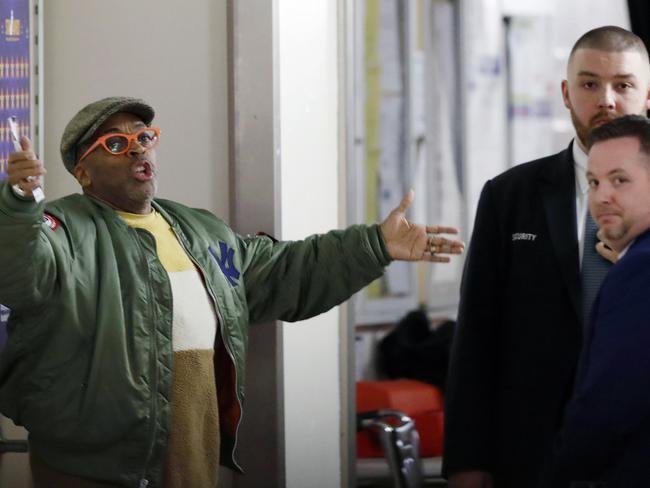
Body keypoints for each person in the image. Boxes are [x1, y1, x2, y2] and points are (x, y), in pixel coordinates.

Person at [0, 96, 463, 488]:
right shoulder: (59, 230)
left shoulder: (200, 229)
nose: (137, 150)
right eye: (116, 144)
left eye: (144, 137)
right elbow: (19, 273)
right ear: (83, 173)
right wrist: (19, 204)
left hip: (193, 461)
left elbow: (285, 272)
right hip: (93, 469)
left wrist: (375, 245)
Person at [443, 26, 650, 488]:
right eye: (590, 84)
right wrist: (465, 462)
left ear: (648, 95)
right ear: (566, 92)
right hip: (530, 454)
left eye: (624, 84)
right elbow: (477, 336)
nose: (607, 100)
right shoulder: (509, 195)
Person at [548, 115, 650, 487]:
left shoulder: (640, 270)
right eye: (593, 182)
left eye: (620, 180)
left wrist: (563, 475)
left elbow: (608, 408)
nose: (601, 196)